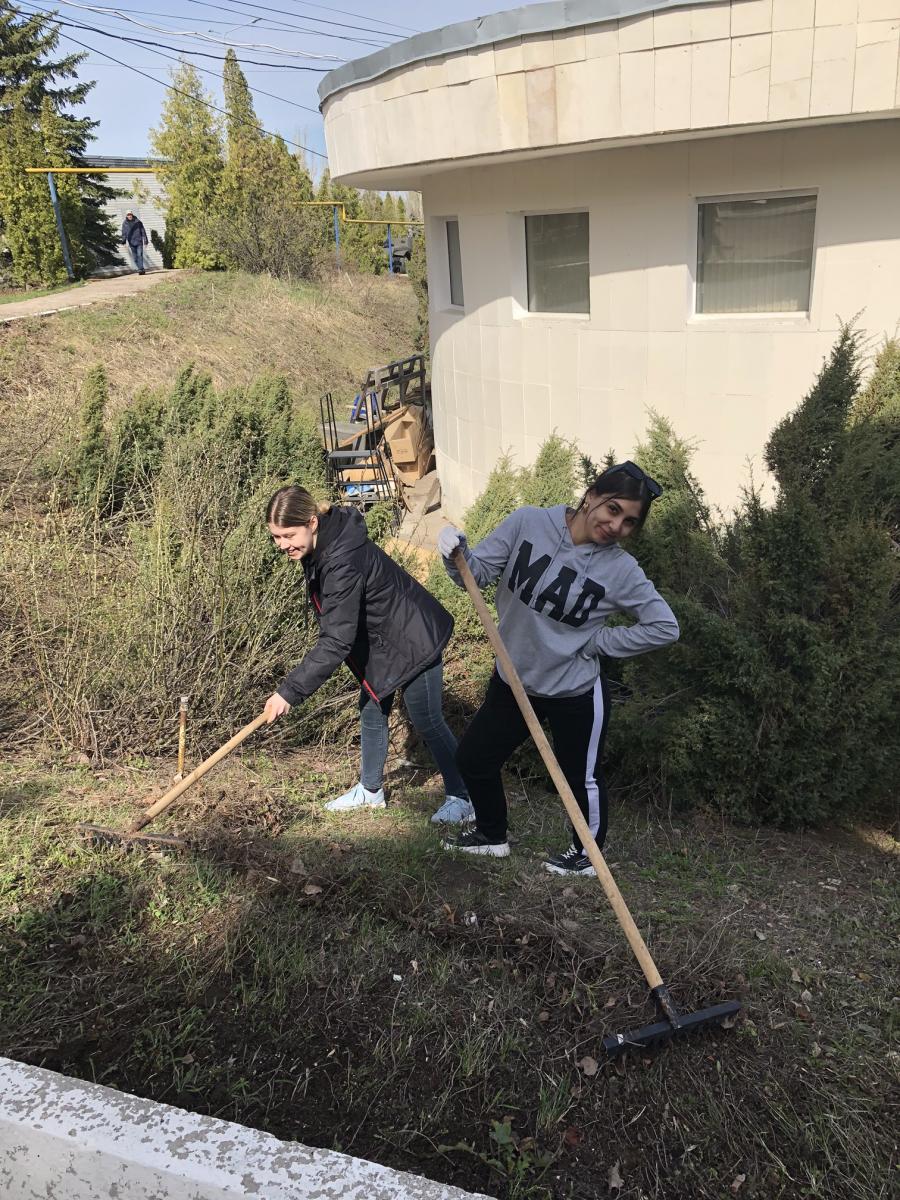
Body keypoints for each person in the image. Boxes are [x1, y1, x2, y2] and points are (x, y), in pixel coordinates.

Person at [437, 462, 679, 876]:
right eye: (612, 508)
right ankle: (492, 836)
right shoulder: (528, 523)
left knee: (579, 778)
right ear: (591, 496)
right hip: (515, 679)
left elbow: (664, 626)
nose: (616, 525)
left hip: (575, 691)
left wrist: (597, 643)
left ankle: (587, 855)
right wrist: (456, 554)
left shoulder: (620, 571)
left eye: (629, 521)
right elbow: (476, 576)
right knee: (474, 758)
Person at [263, 485, 474, 822]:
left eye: (288, 534)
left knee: (426, 718)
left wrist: (289, 692)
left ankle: (465, 796)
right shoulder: (323, 546)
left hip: (414, 636)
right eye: (276, 537)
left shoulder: (341, 559)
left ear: (312, 522)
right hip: (385, 640)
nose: (283, 544)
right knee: (372, 707)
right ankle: (371, 791)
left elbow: (335, 640)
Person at [120, 211, 149, 275]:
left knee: (139, 255)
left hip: (139, 241)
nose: (129, 216)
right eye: (128, 215)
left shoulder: (138, 222)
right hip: (131, 242)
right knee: (135, 258)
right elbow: (124, 233)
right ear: (126, 216)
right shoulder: (125, 223)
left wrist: (145, 241)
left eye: (130, 214)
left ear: (132, 215)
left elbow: (143, 231)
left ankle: (140, 269)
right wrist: (124, 242)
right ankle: (141, 269)